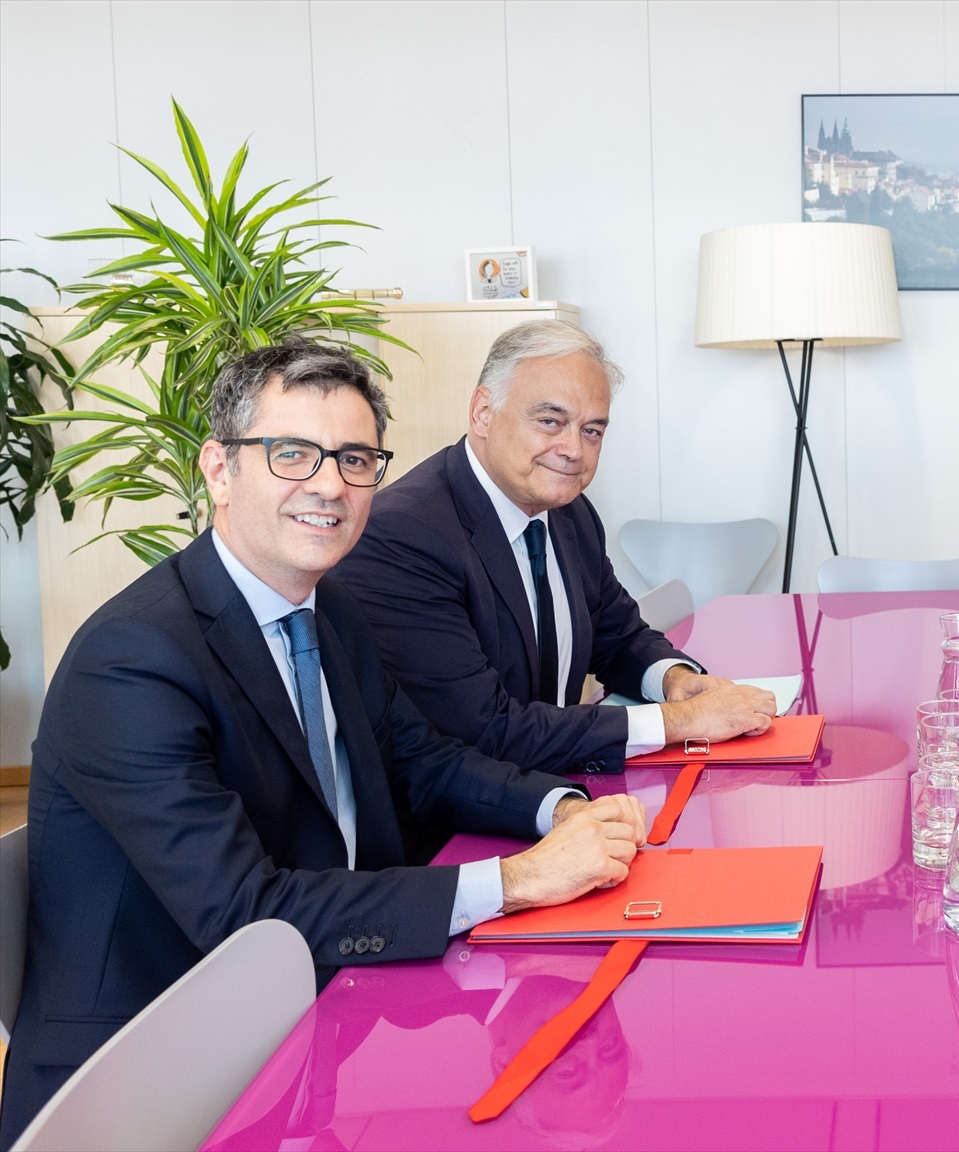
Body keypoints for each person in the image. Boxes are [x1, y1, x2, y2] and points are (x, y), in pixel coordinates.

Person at [0, 343, 646, 1144]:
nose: (330, 484)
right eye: (292, 454)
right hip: (154, 1078)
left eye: (354, 457)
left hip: (319, 1019)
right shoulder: (134, 660)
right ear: (219, 468)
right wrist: (513, 882)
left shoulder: (326, 611)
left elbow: (424, 761)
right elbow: (248, 915)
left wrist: (562, 809)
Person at [334, 321, 774, 795]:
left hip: (560, 783)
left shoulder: (569, 510)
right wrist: (678, 721)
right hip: (455, 826)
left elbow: (617, 633)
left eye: (592, 430)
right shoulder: (402, 533)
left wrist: (674, 679)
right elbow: (486, 731)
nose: (573, 451)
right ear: (483, 412)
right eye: (550, 421)